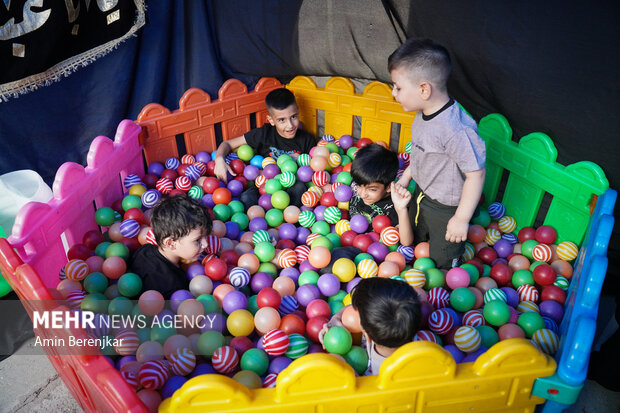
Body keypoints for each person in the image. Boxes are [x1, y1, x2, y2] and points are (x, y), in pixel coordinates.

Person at [388, 38, 486, 269]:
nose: (393, 93)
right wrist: (406, 177)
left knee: (442, 262)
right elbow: (422, 153)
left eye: (398, 87)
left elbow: (476, 174)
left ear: (423, 89)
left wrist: (460, 219)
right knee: (413, 236)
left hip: (446, 207)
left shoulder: (455, 130)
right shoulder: (423, 113)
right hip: (422, 193)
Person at [213, 88, 316, 208]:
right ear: (271, 120)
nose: (290, 125)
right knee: (245, 197)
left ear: (298, 112)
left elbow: (312, 171)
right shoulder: (264, 134)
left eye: (293, 117)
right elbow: (228, 144)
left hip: (290, 189)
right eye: (282, 120)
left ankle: (288, 223)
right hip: (264, 186)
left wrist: (299, 161)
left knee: (300, 187)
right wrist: (219, 159)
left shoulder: (307, 139)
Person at [319, 277, 421, 375]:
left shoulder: (375, 374)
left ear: (367, 336)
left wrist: (340, 361)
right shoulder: (409, 322)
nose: (353, 312)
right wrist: (336, 318)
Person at [129, 195, 212, 299]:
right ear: (170, 243)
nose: (206, 244)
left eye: (205, 237)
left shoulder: (145, 250)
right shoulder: (174, 289)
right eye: (198, 240)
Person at [349, 143, 414, 245]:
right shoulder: (357, 182)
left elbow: (406, 242)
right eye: (359, 185)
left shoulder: (393, 207)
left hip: (373, 250)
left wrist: (401, 210)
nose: (362, 194)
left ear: (388, 187)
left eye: (372, 189)